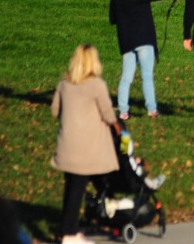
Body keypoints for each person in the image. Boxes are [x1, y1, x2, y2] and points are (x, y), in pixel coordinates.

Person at [51, 44, 118, 244]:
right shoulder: (96, 85)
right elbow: (108, 114)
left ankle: (67, 230)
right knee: (77, 191)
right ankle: (70, 235)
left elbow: (55, 111)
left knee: (70, 188)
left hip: (66, 144)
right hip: (86, 148)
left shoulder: (64, 84)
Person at [110, 0, 185, 119]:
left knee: (126, 78)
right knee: (147, 76)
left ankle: (123, 111)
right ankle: (152, 109)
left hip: (127, 42)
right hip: (144, 40)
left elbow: (113, 20)